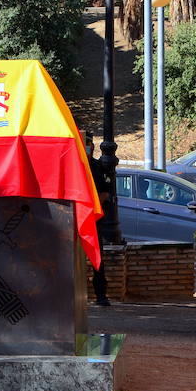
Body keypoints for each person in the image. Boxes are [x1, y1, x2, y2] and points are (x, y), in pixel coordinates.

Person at [84, 131, 113, 306]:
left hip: (93, 218)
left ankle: (100, 295)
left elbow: (105, 193)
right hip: (72, 218)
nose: (88, 147)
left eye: (89, 143)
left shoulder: (98, 167)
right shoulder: (72, 164)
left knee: (97, 259)